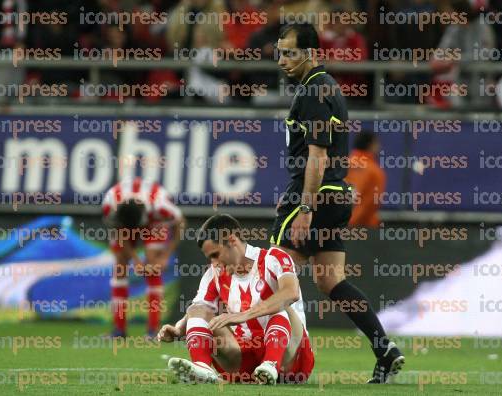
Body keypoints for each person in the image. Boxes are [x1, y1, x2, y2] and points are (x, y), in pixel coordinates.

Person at [271, 22, 404, 383]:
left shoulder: (314, 91)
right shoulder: (325, 88)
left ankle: (281, 363)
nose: (283, 60)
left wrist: (305, 207)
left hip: (314, 196)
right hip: (338, 195)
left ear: (312, 53)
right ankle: (384, 349)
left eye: (291, 53)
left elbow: (317, 154)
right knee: (331, 281)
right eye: (279, 52)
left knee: (272, 276)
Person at [158, 214, 314, 385]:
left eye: (216, 254)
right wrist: (179, 328)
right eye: (210, 258)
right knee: (198, 309)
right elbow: (198, 308)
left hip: (289, 358)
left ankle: (271, 363)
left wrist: (245, 315)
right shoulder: (214, 273)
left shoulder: (274, 258)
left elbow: (291, 293)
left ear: (232, 240)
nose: (214, 262)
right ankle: (202, 367)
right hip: (243, 359)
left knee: (280, 304)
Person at [102, 177, 184, 338]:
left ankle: (153, 330)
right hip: (125, 220)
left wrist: (166, 255)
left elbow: (180, 223)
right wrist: (136, 261)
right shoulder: (110, 205)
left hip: (154, 222)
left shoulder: (160, 206)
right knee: (120, 265)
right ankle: (119, 330)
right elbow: (119, 233)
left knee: (153, 266)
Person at [346, 132, 385, 228]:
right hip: (364, 228)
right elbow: (371, 203)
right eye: (376, 143)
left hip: (336, 227)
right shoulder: (375, 171)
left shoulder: (341, 165)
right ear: (371, 145)